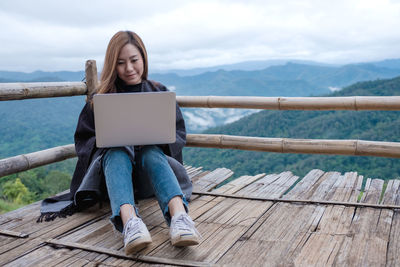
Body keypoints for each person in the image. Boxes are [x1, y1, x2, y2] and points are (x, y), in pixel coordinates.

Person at [39, 31, 200, 255]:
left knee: (151, 151)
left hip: (151, 179)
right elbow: (84, 140)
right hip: (114, 181)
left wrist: (149, 142)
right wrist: (113, 143)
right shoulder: (101, 99)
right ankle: (130, 224)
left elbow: (177, 133)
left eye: (134, 60)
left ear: (143, 58)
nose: (129, 68)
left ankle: (180, 217)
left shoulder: (158, 93)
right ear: (112, 65)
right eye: (121, 63)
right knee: (116, 152)